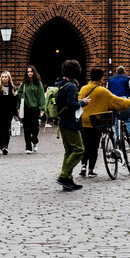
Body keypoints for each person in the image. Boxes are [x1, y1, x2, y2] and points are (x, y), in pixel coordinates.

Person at [78, 67, 130, 177]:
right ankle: (90, 170)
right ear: (101, 78)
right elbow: (117, 102)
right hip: (96, 122)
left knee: (85, 145)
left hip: (83, 121)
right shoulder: (102, 91)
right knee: (94, 146)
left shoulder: (83, 88)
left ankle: (83, 165)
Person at [54, 61, 88, 191]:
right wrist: (83, 102)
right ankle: (64, 176)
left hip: (63, 122)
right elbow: (71, 105)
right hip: (70, 122)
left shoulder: (62, 84)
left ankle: (68, 180)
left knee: (69, 151)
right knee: (79, 150)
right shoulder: (71, 86)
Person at [0, 71, 19, 155]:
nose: (4, 78)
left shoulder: (13, 88)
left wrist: (16, 110)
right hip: (0, 111)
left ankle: (5, 146)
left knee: (7, 128)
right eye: (3, 77)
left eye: (6, 77)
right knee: (2, 128)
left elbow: (16, 100)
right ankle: (2, 145)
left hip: (9, 111)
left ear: (9, 78)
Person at [19, 67, 46, 152]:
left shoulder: (38, 83)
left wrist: (42, 108)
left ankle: (34, 140)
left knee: (35, 128)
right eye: (28, 72)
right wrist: (17, 107)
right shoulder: (23, 84)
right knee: (26, 128)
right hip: (26, 108)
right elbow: (19, 96)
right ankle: (28, 147)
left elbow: (41, 96)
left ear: (34, 73)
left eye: (31, 72)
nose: (30, 73)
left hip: (35, 108)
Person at [107, 65, 130, 138]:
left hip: (115, 102)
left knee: (116, 120)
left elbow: (107, 91)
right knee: (129, 118)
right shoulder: (127, 78)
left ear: (116, 71)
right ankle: (126, 134)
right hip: (125, 101)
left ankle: (117, 138)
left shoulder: (110, 80)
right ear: (124, 72)